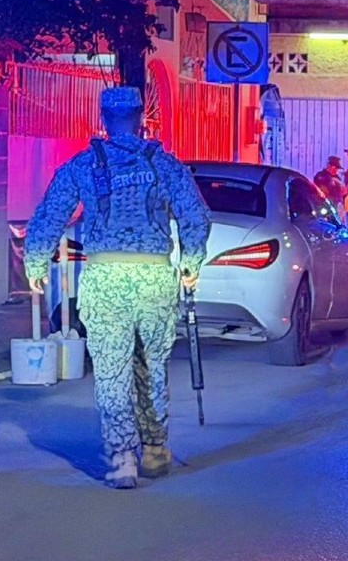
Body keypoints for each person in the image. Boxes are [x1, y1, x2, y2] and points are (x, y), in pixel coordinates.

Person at [24, 87, 212, 489]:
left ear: (104, 119)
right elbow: (195, 217)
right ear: (141, 118)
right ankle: (155, 448)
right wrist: (191, 264)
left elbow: (51, 213)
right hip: (154, 278)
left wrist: (36, 262)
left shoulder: (84, 164)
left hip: (105, 277)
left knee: (112, 371)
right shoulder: (164, 165)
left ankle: (122, 458)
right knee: (151, 366)